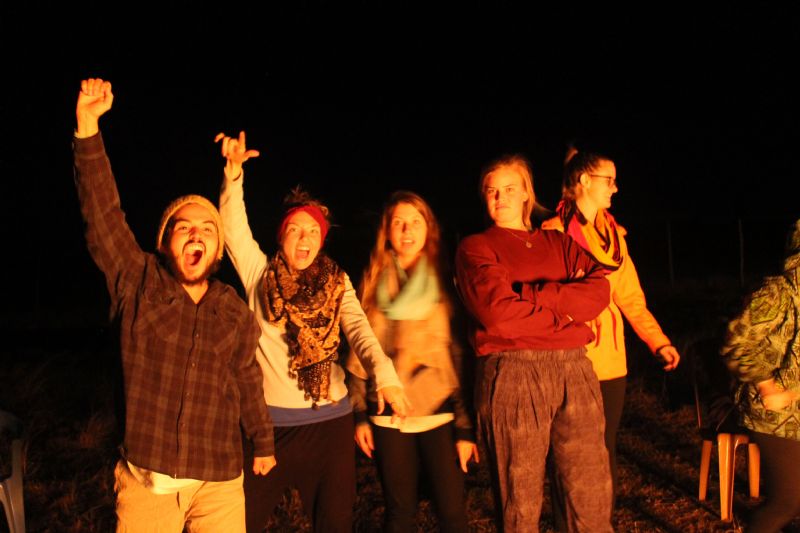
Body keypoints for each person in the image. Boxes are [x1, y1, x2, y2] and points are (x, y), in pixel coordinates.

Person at [72, 78, 275, 533]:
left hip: (219, 481)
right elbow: (102, 215)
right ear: (165, 243)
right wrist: (87, 127)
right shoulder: (137, 280)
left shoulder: (233, 311)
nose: (197, 233)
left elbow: (246, 378)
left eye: (208, 229)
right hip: (148, 481)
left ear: (218, 251)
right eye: (184, 227)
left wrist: (262, 441)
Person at [215, 132, 410, 533]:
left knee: (335, 523)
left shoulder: (337, 282)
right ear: (281, 236)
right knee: (240, 522)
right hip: (269, 427)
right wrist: (233, 175)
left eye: (313, 232)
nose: (304, 238)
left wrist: (385, 375)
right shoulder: (259, 275)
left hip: (330, 424)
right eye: (295, 229)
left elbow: (359, 330)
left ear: (322, 240)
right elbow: (233, 230)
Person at [454, 154, 613, 532]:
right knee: (520, 502)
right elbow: (498, 315)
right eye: (492, 191)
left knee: (590, 491)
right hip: (513, 372)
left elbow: (599, 291)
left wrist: (532, 295)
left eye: (510, 189)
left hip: (575, 368)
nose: (500, 198)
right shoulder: (476, 248)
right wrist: (566, 319)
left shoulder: (558, 242)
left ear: (527, 192)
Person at [541, 145, 680, 518]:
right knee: (570, 450)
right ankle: (568, 522)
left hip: (611, 361)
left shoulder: (615, 239)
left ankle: (602, 520)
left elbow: (630, 298)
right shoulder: (553, 233)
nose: (615, 188)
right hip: (570, 357)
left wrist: (658, 341)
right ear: (585, 181)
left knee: (605, 447)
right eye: (609, 180)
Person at [345, 191, 479, 532]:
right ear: (387, 230)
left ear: (428, 228)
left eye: (416, 222)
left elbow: (458, 357)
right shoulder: (372, 279)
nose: (407, 230)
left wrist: (465, 428)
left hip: (439, 411)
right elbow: (360, 348)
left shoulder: (444, 279)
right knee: (400, 512)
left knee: (452, 513)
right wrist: (359, 415)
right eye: (399, 222)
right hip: (387, 414)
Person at [720, 218, 800, 532]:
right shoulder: (777, 292)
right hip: (774, 412)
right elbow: (736, 344)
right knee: (787, 502)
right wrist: (767, 386)